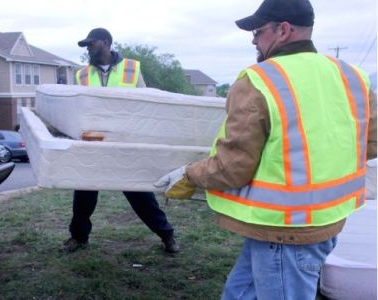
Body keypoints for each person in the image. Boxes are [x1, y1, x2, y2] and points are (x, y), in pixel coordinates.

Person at [154, 0, 377, 299]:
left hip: (284, 232)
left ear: (283, 30)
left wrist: (190, 174)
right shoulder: (354, 78)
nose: (254, 41)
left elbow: (232, 167)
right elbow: (370, 143)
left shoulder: (260, 80)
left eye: (257, 33)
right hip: (325, 223)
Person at [61, 27, 179, 254]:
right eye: (86, 46)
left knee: (140, 196)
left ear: (106, 43)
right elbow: (77, 107)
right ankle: (78, 238)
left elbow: (146, 103)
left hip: (125, 144)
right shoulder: (81, 74)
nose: (88, 49)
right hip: (93, 145)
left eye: (91, 44)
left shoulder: (132, 69)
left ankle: (167, 235)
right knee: (83, 195)